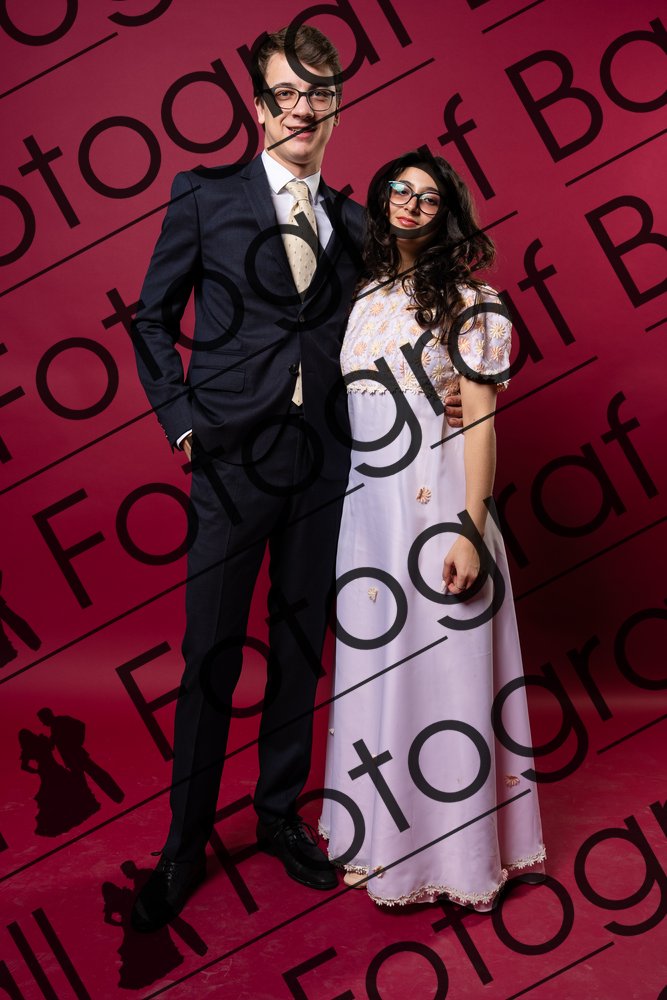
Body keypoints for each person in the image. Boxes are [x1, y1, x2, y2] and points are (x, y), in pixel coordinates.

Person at [130, 26, 463, 932]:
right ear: (258, 105)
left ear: (336, 108)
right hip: (229, 464)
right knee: (210, 656)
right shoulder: (203, 196)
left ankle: (277, 815)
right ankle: (182, 846)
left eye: (319, 94)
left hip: (325, 465)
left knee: (298, 648)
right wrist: (182, 422)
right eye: (286, 93)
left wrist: (462, 367)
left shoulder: (354, 221)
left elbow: (409, 307)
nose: (302, 109)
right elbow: (150, 318)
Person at [319, 151, 546, 909]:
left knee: (443, 675)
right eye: (399, 189)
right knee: (375, 669)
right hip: (370, 515)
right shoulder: (363, 294)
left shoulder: (473, 302)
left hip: (437, 507)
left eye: (428, 196)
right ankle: (375, 840)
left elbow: (479, 423)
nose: (410, 203)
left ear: (447, 215)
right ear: (380, 198)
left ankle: (454, 857)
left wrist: (469, 529)